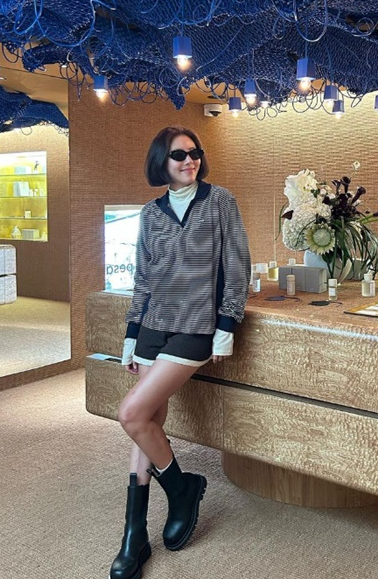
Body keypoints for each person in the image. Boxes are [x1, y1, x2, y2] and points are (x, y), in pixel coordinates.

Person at [109, 125, 251, 579]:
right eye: (178, 154)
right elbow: (143, 278)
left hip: (195, 328)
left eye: (194, 152)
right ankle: (134, 535)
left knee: (131, 414)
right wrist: (131, 335)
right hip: (153, 326)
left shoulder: (220, 201)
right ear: (162, 162)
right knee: (147, 422)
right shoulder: (151, 214)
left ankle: (182, 488)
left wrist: (226, 326)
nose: (189, 160)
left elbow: (237, 267)